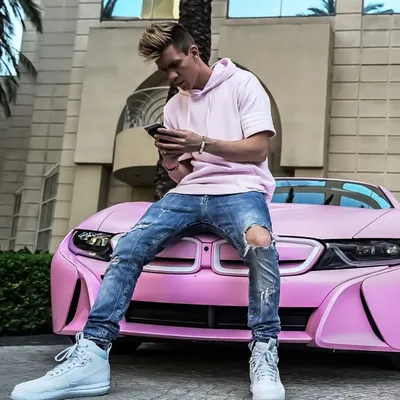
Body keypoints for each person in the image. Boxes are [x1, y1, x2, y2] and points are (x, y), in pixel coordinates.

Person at [11, 22, 285, 400]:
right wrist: (171, 159)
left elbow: (258, 150)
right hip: (189, 193)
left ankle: (265, 352)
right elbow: (185, 174)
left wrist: (200, 142)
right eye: (164, 70)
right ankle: (91, 355)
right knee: (128, 245)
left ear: (194, 53)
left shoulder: (242, 83)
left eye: (175, 65)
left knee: (261, 243)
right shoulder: (174, 106)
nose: (172, 76)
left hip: (241, 190)